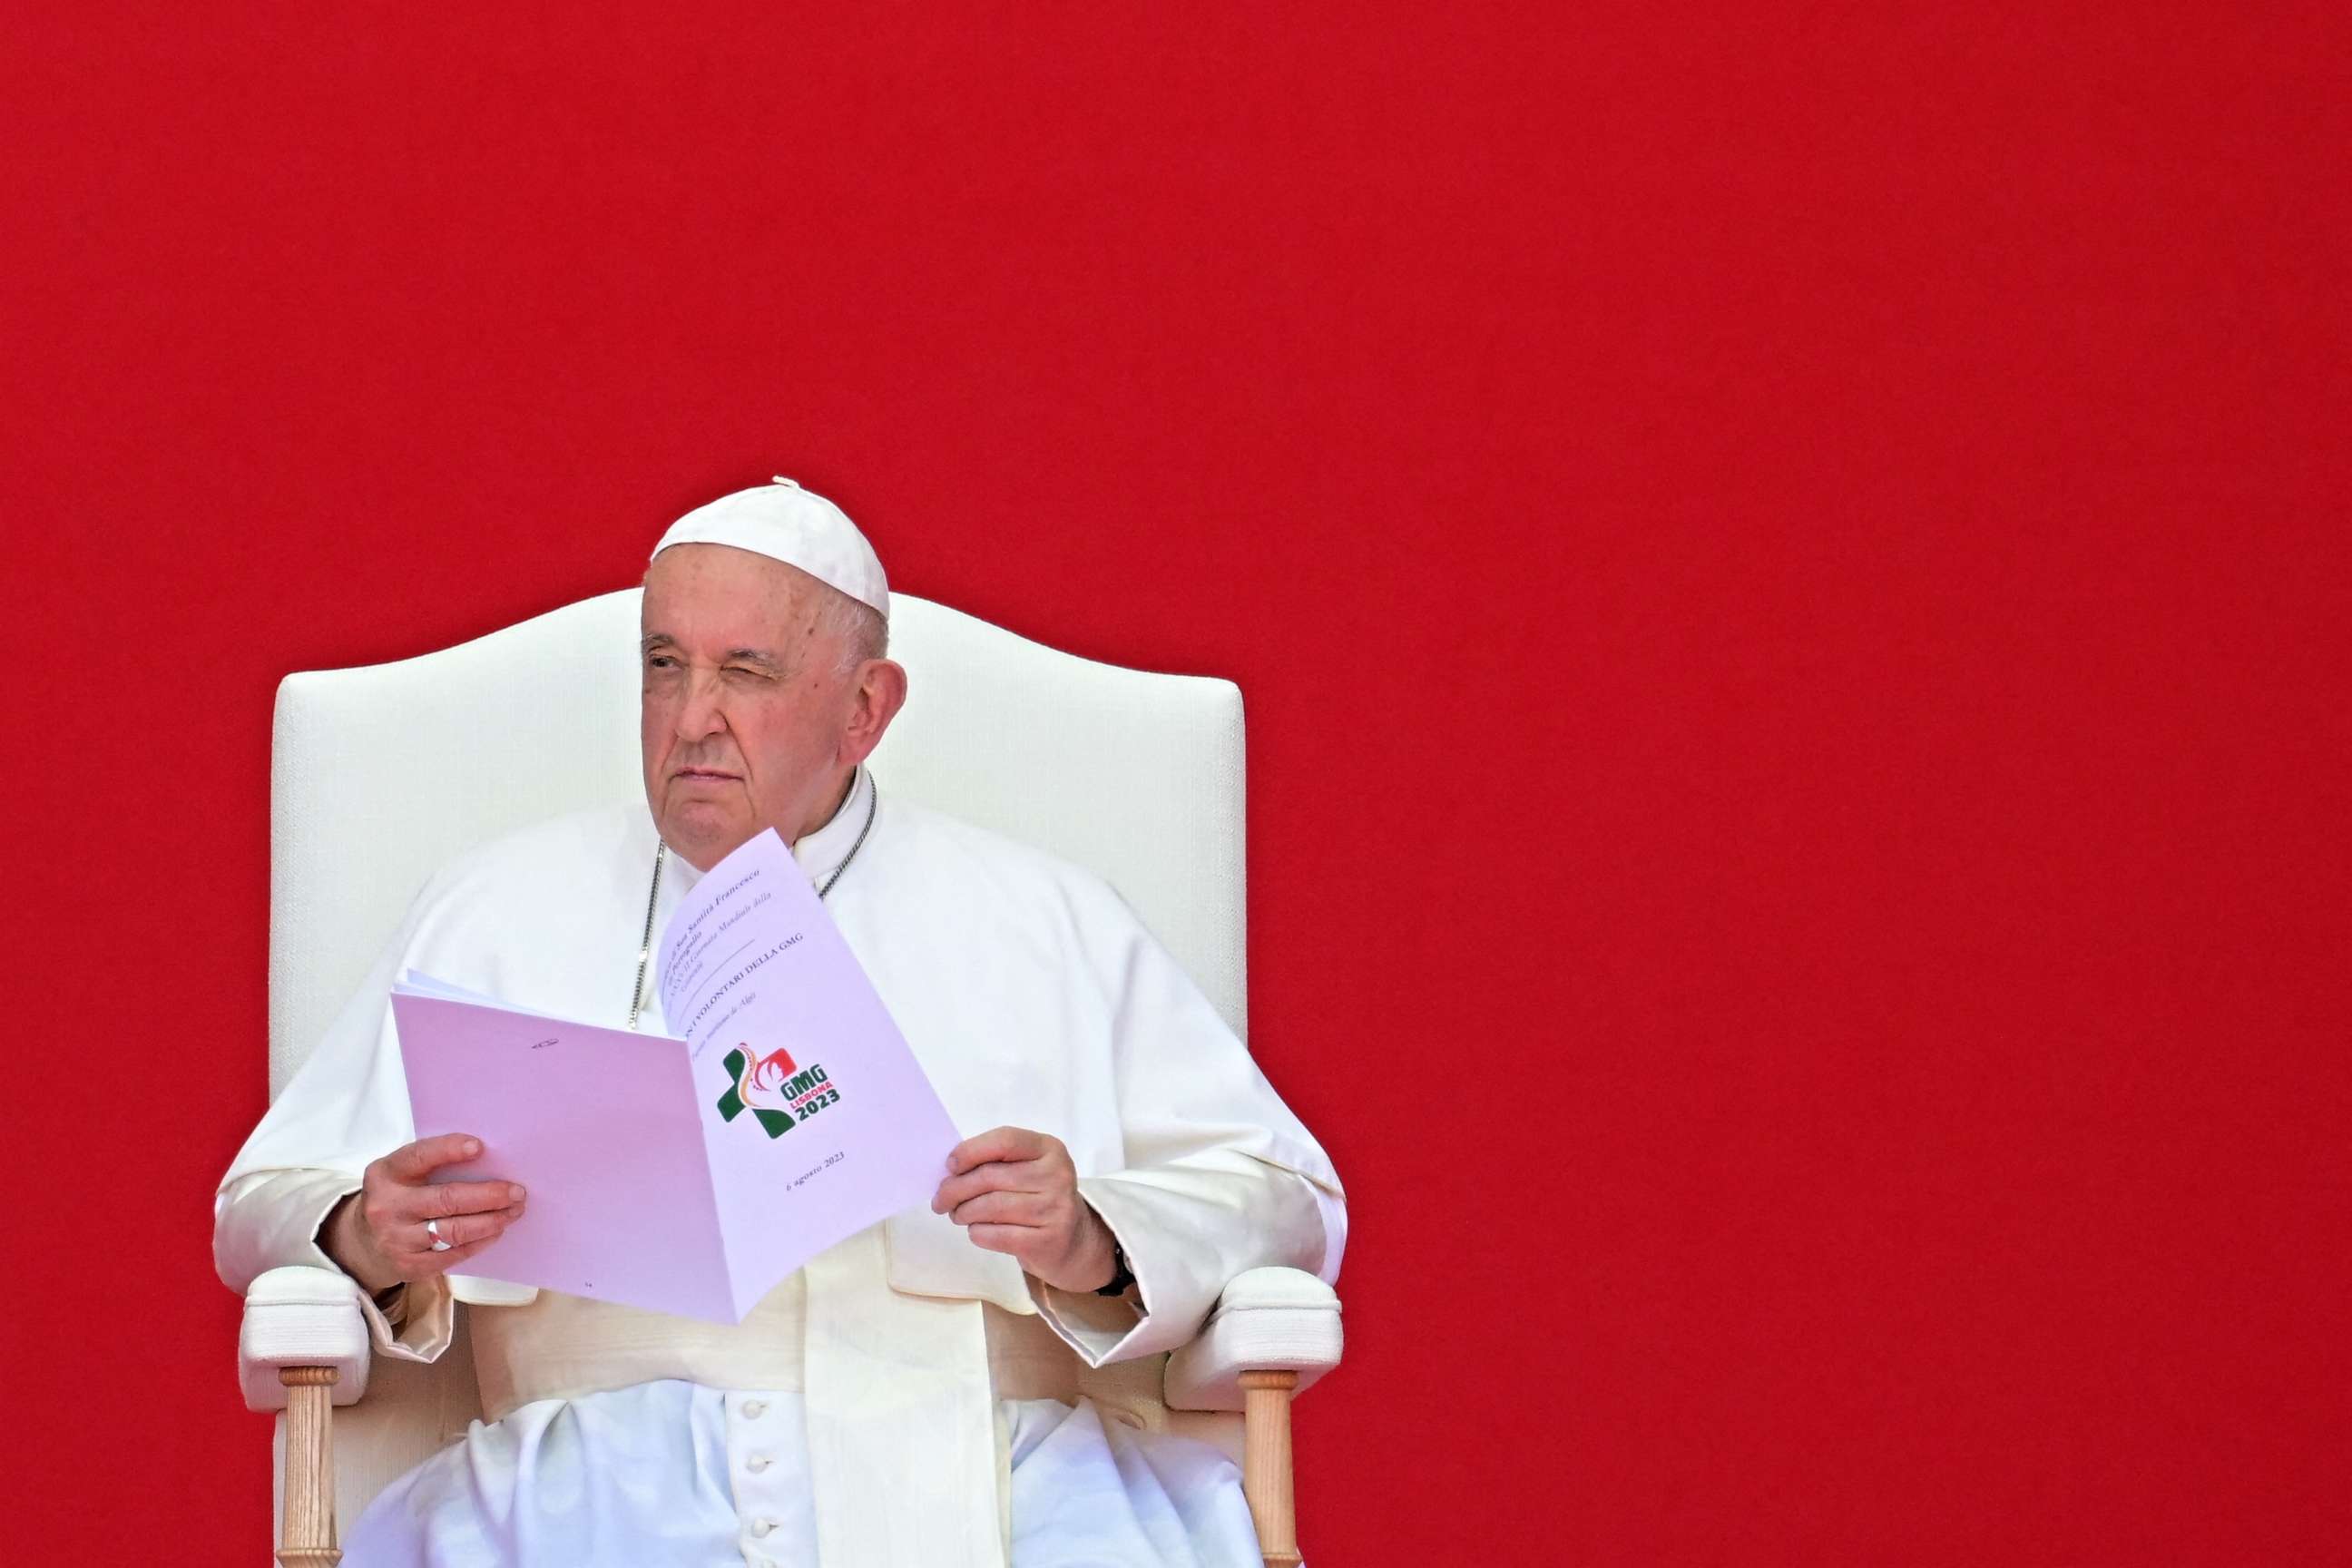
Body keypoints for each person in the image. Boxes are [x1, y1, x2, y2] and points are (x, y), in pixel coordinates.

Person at [214, 477, 1345, 1568]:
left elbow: (1285, 1199)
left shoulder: (1047, 915)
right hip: (583, 1485)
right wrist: (368, 1229)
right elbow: (261, 1200)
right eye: (665, 667)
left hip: (983, 1474)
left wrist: (1094, 1239)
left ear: (865, 709)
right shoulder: (491, 904)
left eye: (744, 673)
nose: (693, 719)